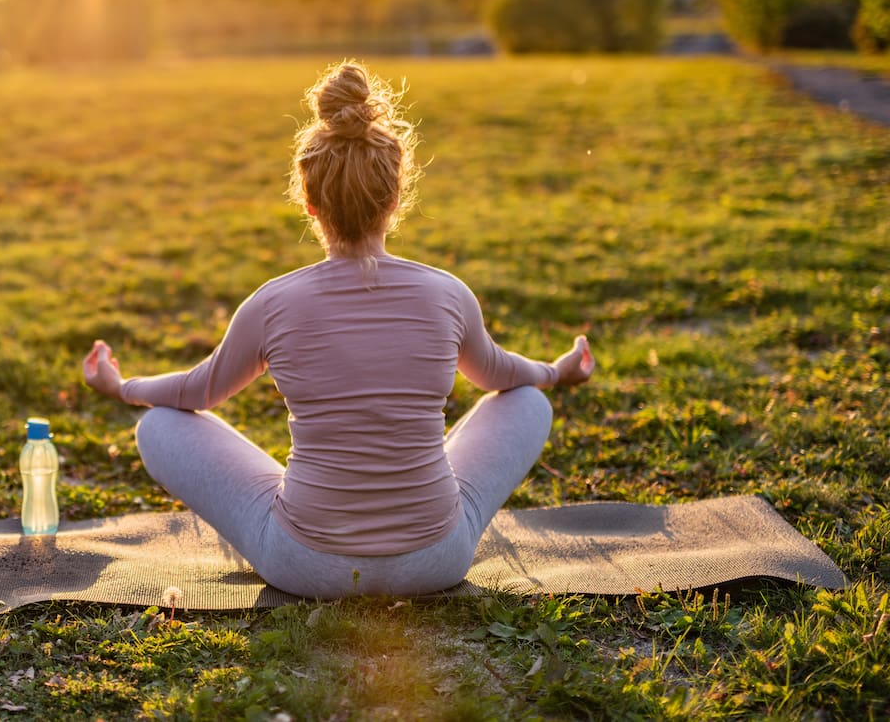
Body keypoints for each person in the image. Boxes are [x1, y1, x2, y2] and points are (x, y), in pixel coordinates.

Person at [82, 60, 594, 599]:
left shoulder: (272, 303)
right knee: (530, 400)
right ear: (396, 199)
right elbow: (499, 375)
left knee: (158, 425)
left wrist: (121, 387)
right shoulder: (448, 294)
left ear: (307, 201)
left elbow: (196, 391)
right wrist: (554, 372)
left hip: (305, 567)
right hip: (437, 560)